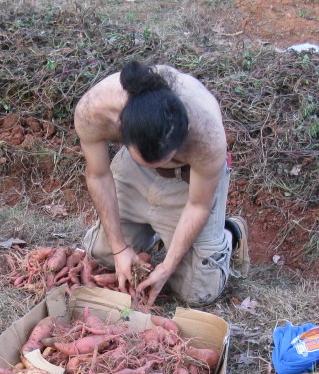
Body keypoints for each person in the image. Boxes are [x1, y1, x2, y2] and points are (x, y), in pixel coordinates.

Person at [74, 60, 249, 308]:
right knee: (102, 256)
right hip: (134, 170)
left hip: (188, 180)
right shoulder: (94, 110)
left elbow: (198, 205)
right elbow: (98, 176)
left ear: (183, 134)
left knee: (197, 291)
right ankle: (155, 229)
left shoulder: (206, 137)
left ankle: (231, 232)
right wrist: (119, 248)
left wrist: (167, 267)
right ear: (122, 127)